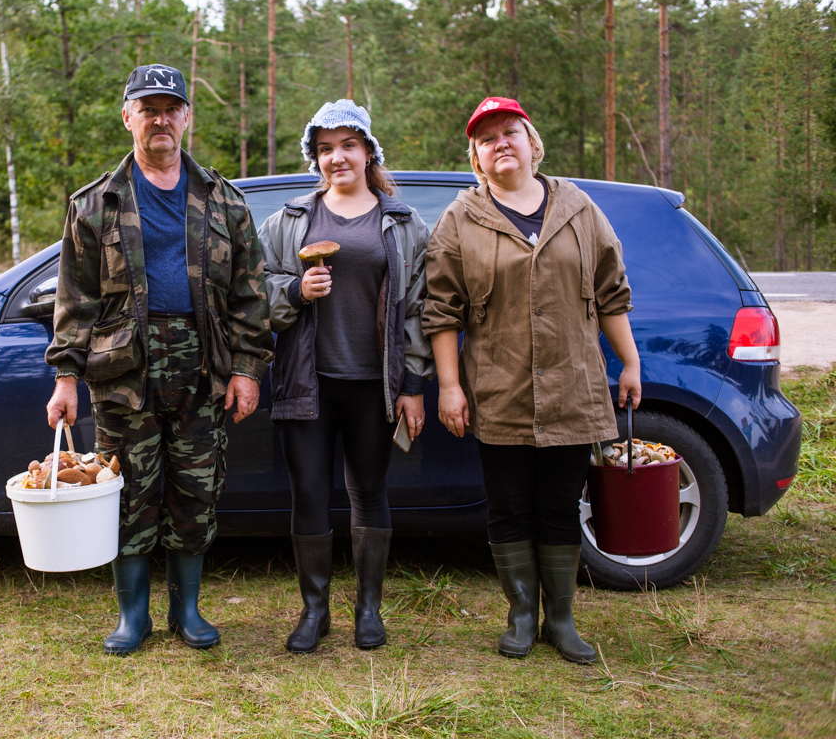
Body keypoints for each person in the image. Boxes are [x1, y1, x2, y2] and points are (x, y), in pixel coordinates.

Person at [45, 64, 274, 655]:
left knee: (195, 494)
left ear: (186, 118)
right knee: (126, 495)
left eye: (171, 107)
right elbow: (76, 299)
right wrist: (66, 378)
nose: (161, 118)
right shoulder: (96, 204)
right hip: (123, 374)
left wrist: (247, 371)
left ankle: (188, 612)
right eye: (148, 108)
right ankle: (133, 616)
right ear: (128, 118)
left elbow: (251, 297)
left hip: (203, 371)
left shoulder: (225, 202)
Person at [423, 97, 641, 665]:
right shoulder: (460, 220)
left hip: (572, 386)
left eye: (510, 132)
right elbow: (440, 311)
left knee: (560, 506)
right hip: (500, 389)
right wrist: (450, 386)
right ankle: (522, 616)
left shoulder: (579, 208)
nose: (501, 142)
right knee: (509, 506)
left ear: (531, 141)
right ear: (475, 155)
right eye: (487, 137)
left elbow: (612, 293)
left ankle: (561, 621)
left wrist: (631, 364)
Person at [257, 100, 433, 653]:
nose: (338, 157)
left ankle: (369, 610)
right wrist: (293, 291)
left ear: (368, 152)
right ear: (316, 158)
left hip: (373, 382)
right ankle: (315, 611)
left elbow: (417, 310)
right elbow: (252, 295)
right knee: (309, 492)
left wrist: (412, 385)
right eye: (326, 148)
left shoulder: (403, 224)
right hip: (307, 380)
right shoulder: (287, 222)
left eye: (348, 145)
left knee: (369, 490)